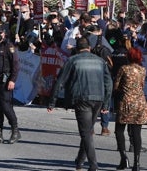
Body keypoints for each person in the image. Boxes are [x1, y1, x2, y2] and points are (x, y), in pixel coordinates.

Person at [48, 37, 113, 171]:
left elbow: (60, 81)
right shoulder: (101, 61)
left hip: (81, 98)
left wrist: (52, 102)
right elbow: (109, 83)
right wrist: (106, 104)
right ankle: (80, 161)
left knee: (86, 133)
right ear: (89, 47)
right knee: (87, 131)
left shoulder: (72, 60)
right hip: (98, 99)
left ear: (77, 49)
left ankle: (93, 164)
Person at [114, 47, 147, 171]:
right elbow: (142, 85)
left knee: (119, 130)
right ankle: (137, 162)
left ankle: (123, 158)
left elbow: (116, 86)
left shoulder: (124, 69)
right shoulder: (142, 70)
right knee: (137, 133)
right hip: (140, 103)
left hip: (126, 102)